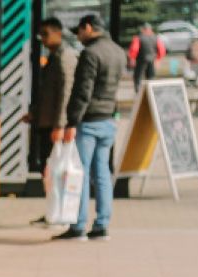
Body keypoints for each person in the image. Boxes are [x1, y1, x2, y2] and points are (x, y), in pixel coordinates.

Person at [54, 14, 126, 242]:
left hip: (89, 121)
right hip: (108, 120)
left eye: (79, 31)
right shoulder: (117, 51)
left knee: (81, 173)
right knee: (102, 173)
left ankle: (78, 226)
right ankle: (102, 225)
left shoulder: (90, 54)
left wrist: (72, 121)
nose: (78, 36)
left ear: (88, 28)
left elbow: (82, 91)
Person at [23, 17, 78, 225]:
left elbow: (65, 93)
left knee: (57, 171)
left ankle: (60, 214)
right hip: (46, 121)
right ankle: (53, 212)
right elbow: (48, 92)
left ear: (58, 32)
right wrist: (35, 113)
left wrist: (60, 125)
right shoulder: (55, 56)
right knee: (50, 170)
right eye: (41, 35)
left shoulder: (65, 56)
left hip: (55, 125)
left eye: (46, 34)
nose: (43, 39)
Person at [128, 23, 166, 93]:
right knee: (151, 78)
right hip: (152, 60)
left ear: (143, 29)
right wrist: (158, 59)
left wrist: (132, 58)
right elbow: (161, 50)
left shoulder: (138, 38)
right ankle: (151, 93)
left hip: (141, 60)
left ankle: (138, 92)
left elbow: (134, 49)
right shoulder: (156, 38)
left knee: (138, 77)